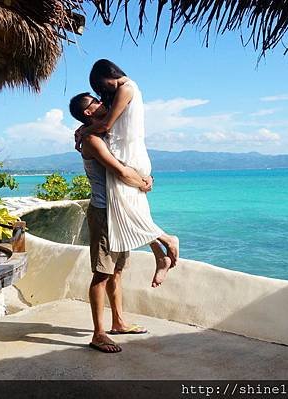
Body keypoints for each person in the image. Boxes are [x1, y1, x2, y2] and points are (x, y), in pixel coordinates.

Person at [69, 93, 171, 353]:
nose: (103, 104)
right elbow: (120, 171)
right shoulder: (91, 140)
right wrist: (144, 184)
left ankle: (118, 322)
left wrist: (144, 178)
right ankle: (98, 334)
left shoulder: (97, 133)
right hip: (103, 213)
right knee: (102, 273)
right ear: (89, 112)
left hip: (117, 212)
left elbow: (123, 125)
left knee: (117, 271)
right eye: (97, 102)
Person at [76, 59, 180, 285]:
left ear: (107, 75)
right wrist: (84, 130)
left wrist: (84, 131)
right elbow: (104, 125)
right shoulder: (123, 90)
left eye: (100, 86)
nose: (102, 93)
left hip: (128, 155)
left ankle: (166, 239)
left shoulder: (126, 88)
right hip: (127, 153)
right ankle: (160, 255)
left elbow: (105, 126)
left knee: (127, 209)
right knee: (131, 210)